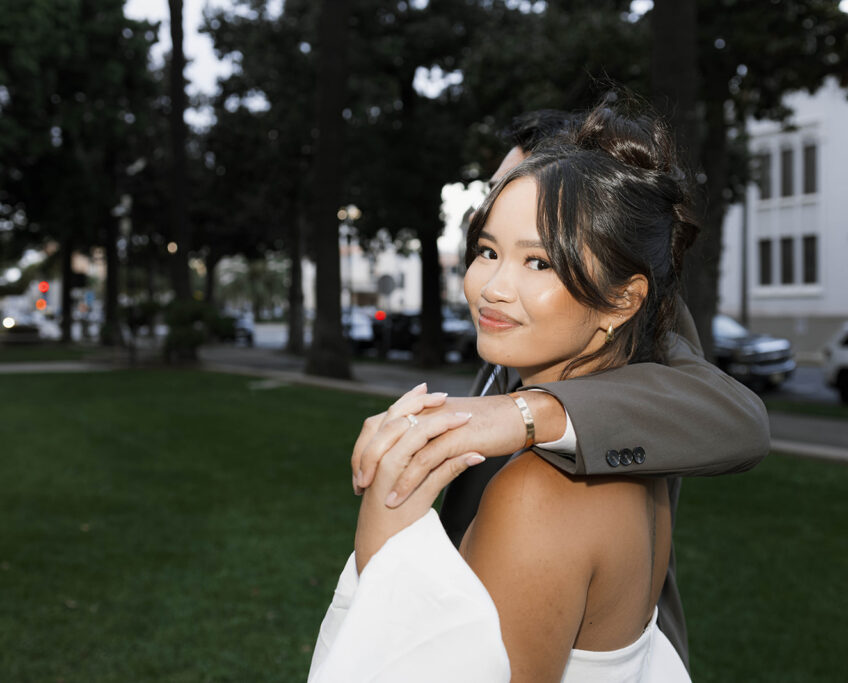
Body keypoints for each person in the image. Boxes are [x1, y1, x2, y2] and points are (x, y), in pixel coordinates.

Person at [309, 98, 749, 681]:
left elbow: (735, 415)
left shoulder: (547, 487)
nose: (493, 283)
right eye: (489, 247)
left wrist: (388, 527)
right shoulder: (540, 343)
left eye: (539, 259)